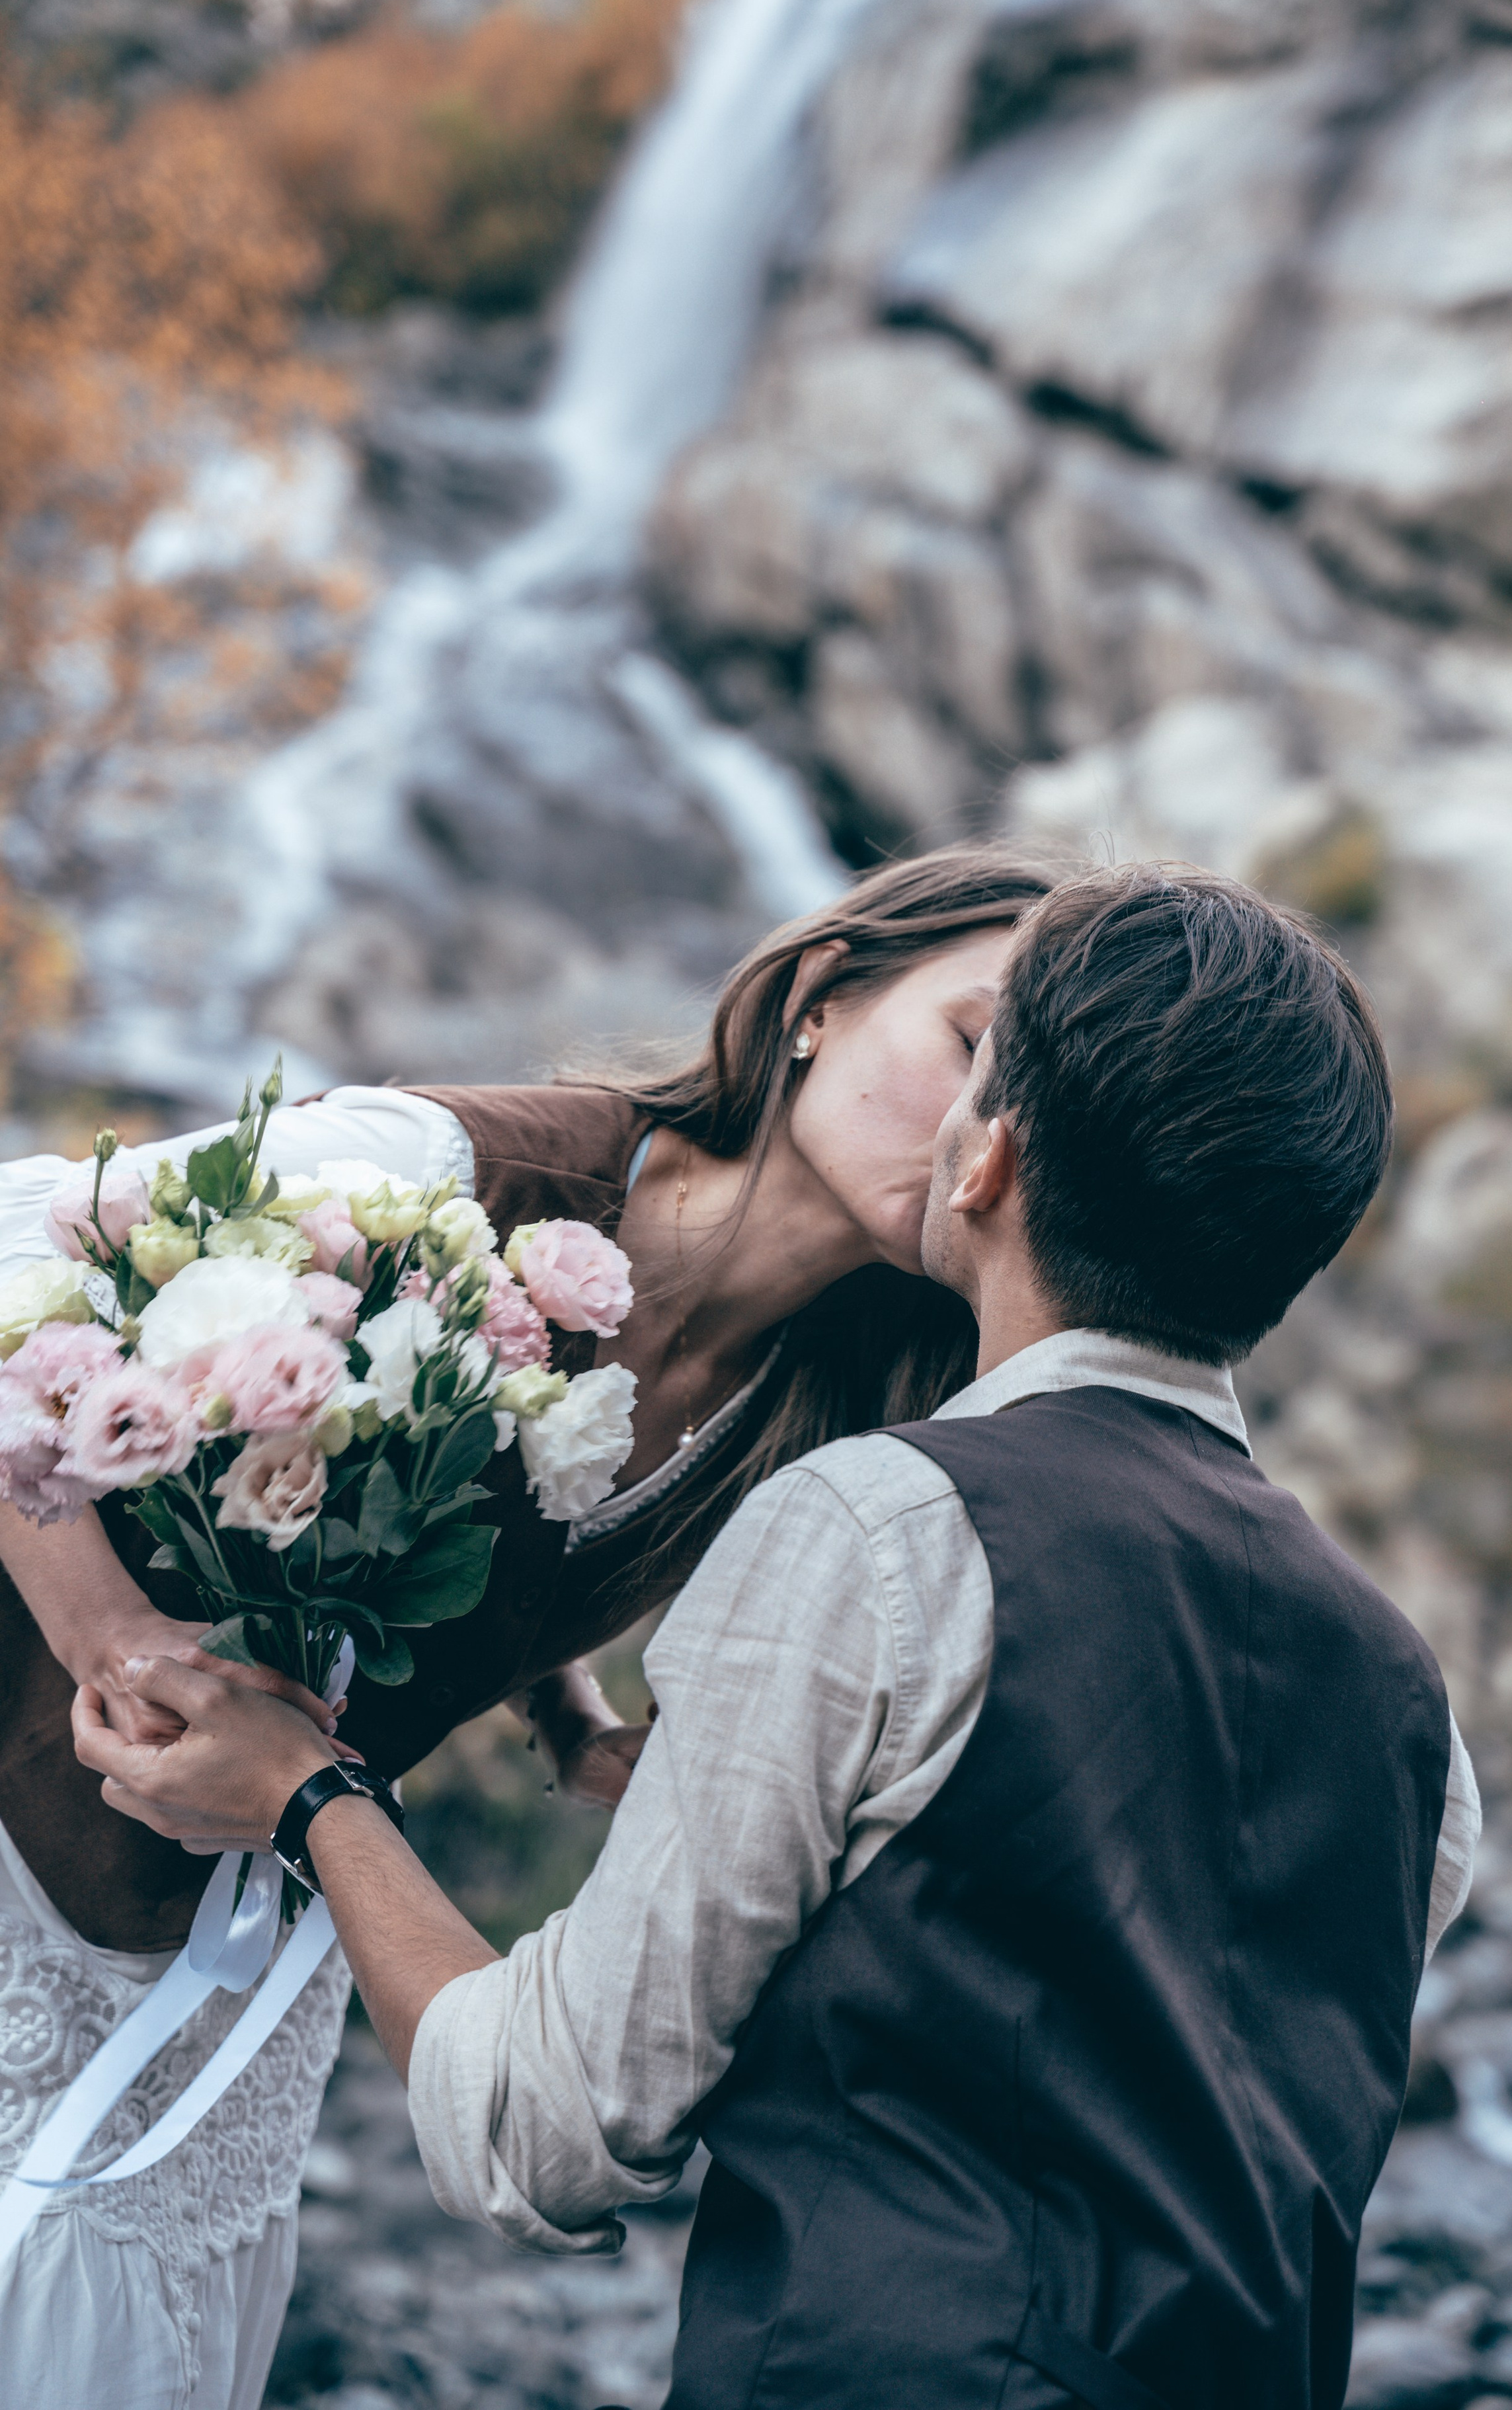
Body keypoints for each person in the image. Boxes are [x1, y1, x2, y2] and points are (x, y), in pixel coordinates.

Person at [82, 862, 1481, 2410]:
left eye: (980, 1069)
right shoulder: (1412, 1709)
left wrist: (308, 1796)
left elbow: (540, 2131)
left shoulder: (875, 1528)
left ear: (985, 1159)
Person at [0, 846, 1059, 2410]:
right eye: (967, 1043)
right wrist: (104, 1626)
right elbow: (12, 1264)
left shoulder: (829, 1396)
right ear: (819, 999)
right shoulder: (442, 1171)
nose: (981, 1124)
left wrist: (564, 1711)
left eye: (1031, 1104)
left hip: (235, 1954)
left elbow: (489, 1516)